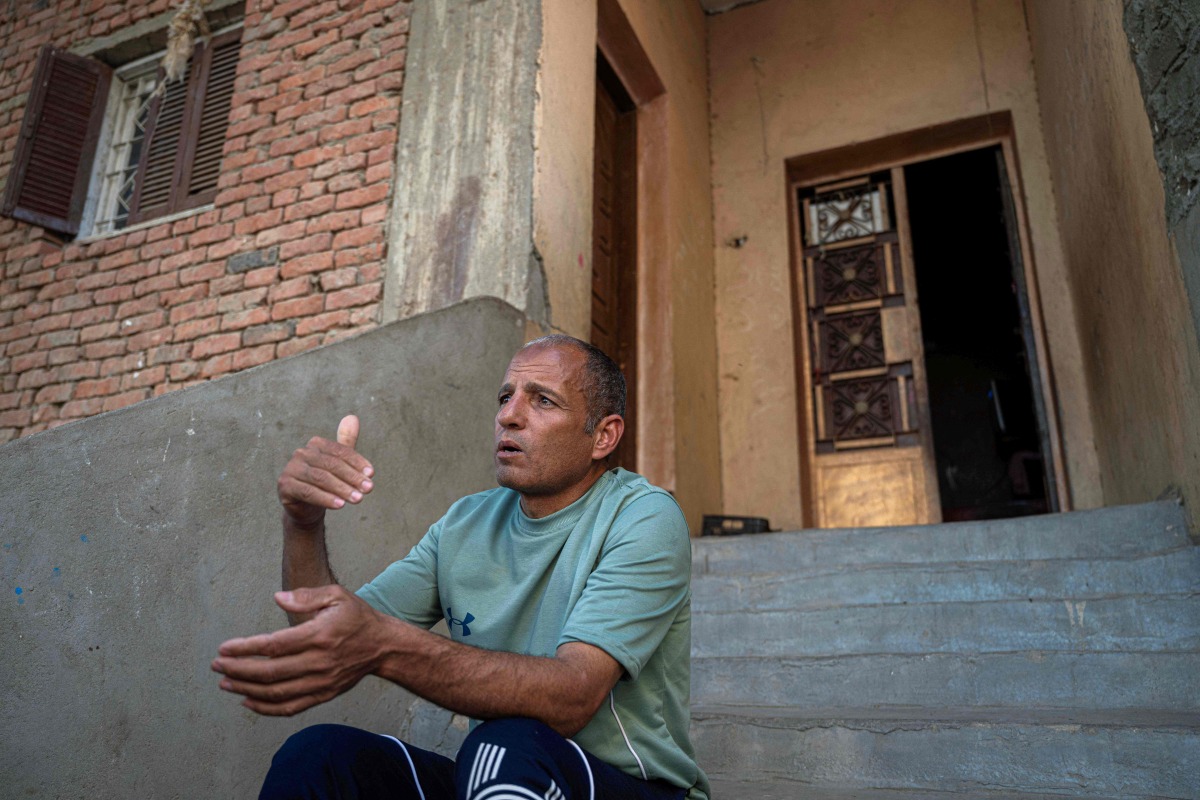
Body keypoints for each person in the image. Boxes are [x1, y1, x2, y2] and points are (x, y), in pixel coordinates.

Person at [211, 334, 710, 800]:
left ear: (603, 436)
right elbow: (321, 631)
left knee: (506, 744)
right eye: (504, 397)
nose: (509, 416)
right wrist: (302, 520)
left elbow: (573, 697)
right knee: (317, 756)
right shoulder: (465, 522)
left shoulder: (642, 516)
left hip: (629, 785)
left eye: (542, 400)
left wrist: (384, 646)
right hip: (504, 772)